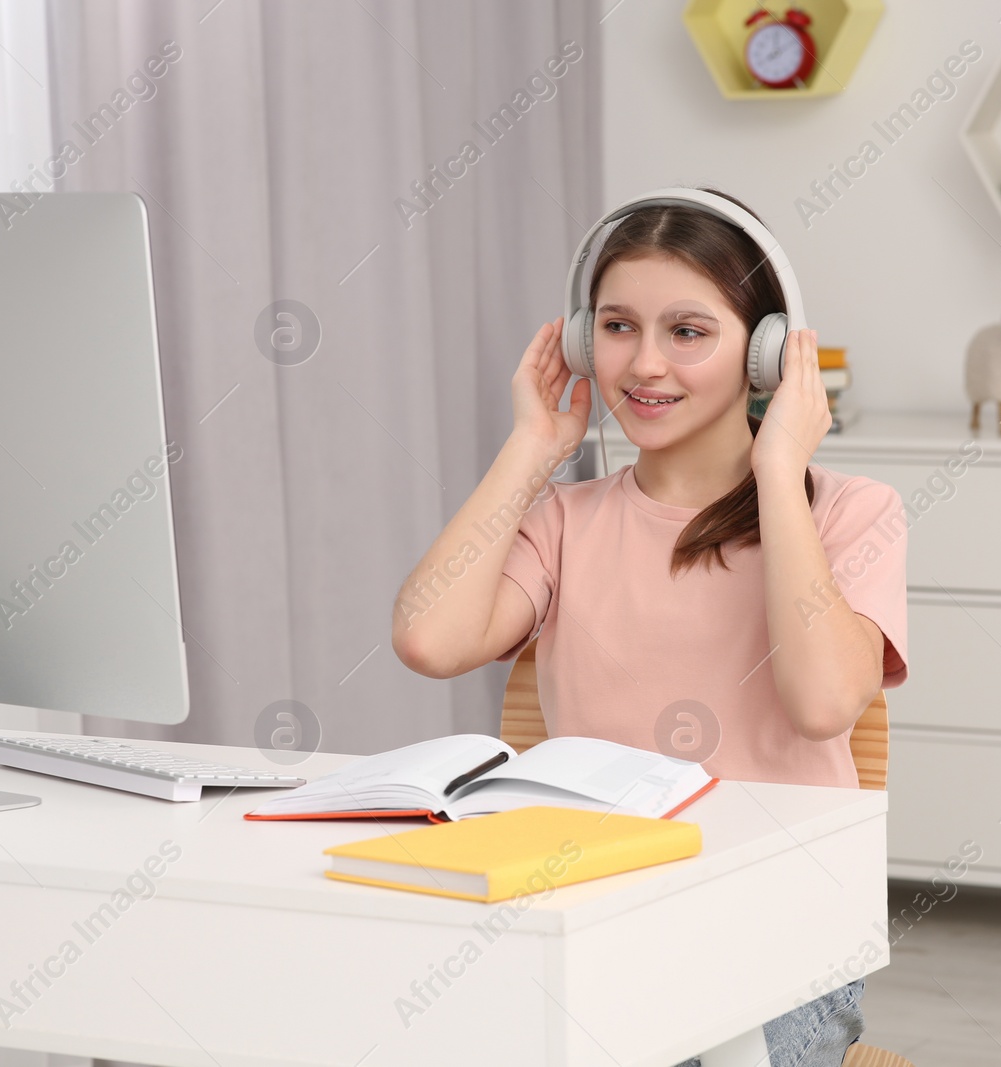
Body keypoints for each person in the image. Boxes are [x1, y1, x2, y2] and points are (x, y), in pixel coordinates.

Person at [391, 187, 908, 1066]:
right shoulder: (565, 520)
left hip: (778, 937)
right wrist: (531, 449)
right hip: (601, 913)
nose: (645, 365)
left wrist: (780, 470)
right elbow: (429, 639)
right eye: (619, 327)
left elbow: (823, 702)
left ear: (769, 353)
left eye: (689, 331)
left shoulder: (851, 512)